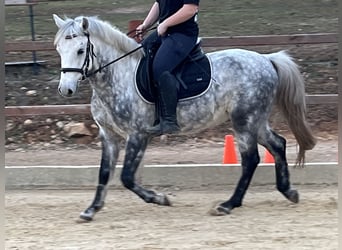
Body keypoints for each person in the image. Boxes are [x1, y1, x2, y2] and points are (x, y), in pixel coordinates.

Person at [136, 0, 200, 135]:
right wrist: (146, 24)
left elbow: (190, 9)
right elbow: (159, 3)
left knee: (160, 68)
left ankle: (169, 120)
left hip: (183, 34)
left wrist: (165, 23)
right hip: (165, 33)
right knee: (140, 53)